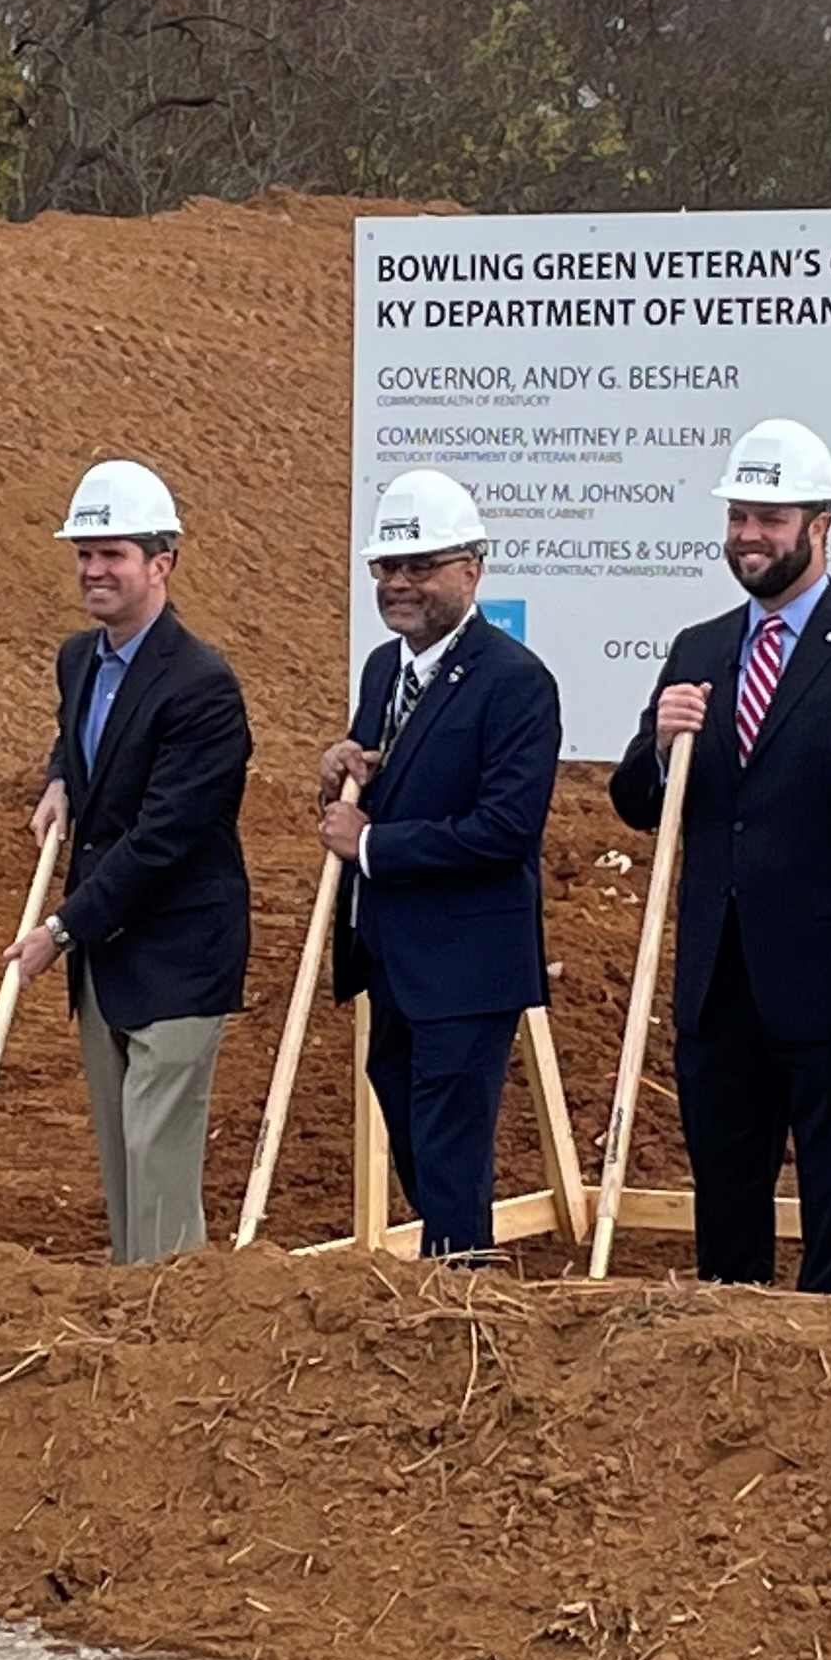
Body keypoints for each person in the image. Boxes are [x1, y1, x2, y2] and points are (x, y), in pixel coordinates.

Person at [607, 419, 831, 1295]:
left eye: (772, 518)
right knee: (724, 1188)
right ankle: (730, 1345)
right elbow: (640, 804)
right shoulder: (699, 651)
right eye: (740, 517)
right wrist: (659, 745)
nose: (751, 535)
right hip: (719, 977)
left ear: (819, 524)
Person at [2, 460, 253, 1264]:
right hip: (109, 958)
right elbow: (87, 741)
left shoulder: (204, 686)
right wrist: (57, 779)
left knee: (158, 1157)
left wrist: (60, 930)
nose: (93, 570)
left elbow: (162, 837)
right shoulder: (79, 658)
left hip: (178, 950)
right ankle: (125, 1323)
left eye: (112, 554)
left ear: (161, 564)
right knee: (120, 1159)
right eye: (84, 553)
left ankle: (174, 1325)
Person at [319, 468, 560, 1259]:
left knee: (450, 1140)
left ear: (472, 568)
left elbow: (505, 829)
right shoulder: (384, 671)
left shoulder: (517, 683)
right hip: (393, 954)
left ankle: (463, 1290)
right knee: (413, 1126)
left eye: (420, 566)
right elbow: (376, 797)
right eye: (387, 568)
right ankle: (458, 1265)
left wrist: (375, 845)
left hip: (468, 960)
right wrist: (343, 780)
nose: (400, 584)